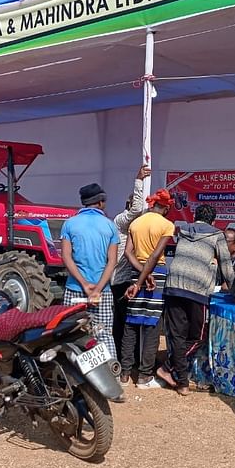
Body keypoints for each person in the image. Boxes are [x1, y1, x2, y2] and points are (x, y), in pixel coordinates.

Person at [132, 203, 234, 396]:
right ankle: (170, 368)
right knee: (199, 336)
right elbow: (227, 265)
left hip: (173, 286)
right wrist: (234, 286)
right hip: (197, 289)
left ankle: (181, 381)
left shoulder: (183, 231)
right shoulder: (216, 235)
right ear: (213, 221)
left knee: (178, 336)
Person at [60, 183, 122, 402]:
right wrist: (97, 287)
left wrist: (85, 285)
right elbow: (112, 261)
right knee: (104, 335)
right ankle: (112, 383)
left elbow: (66, 258)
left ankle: (72, 380)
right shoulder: (109, 226)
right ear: (101, 202)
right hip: (102, 292)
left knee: (70, 334)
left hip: (74, 290)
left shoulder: (69, 224)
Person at [120, 188, 175, 388]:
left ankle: (125, 373)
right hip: (156, 274)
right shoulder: (167, 225)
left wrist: (140, 277)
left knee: (131, 323)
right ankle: (144, 375)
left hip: (136, 272)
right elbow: (154, 256)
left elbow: (128, 253)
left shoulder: (135, 223)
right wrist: (148, 275)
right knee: (152, 324)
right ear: (166, 207)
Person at [110, 165, 151, 349]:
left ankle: (132, 356)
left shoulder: (140, 228)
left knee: (133, 321)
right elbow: (136, 209)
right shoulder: (121, 221)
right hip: (120, 279)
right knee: (122, 321)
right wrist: (139, 181)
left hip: (134, 279)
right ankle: (120, 356)